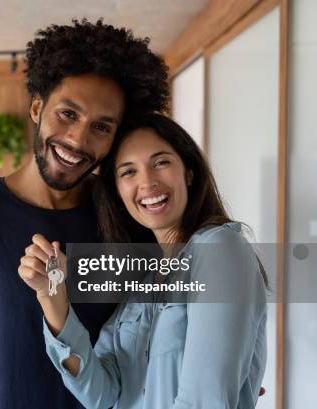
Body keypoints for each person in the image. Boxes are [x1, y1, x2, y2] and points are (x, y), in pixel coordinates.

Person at [0, 20, 169, 409]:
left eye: (101, 127)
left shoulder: (128, 216)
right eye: (68, 114)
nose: (77, 140)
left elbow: (166, 323)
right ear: (38, 107)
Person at [18, 113, 268, 408]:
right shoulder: (143, 285)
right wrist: (54, 300)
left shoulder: (219, 249)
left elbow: (204, 401)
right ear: (118, 193)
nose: (147, 182)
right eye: (128, 172)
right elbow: (101, 395)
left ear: (188, 172)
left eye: (161, 162)